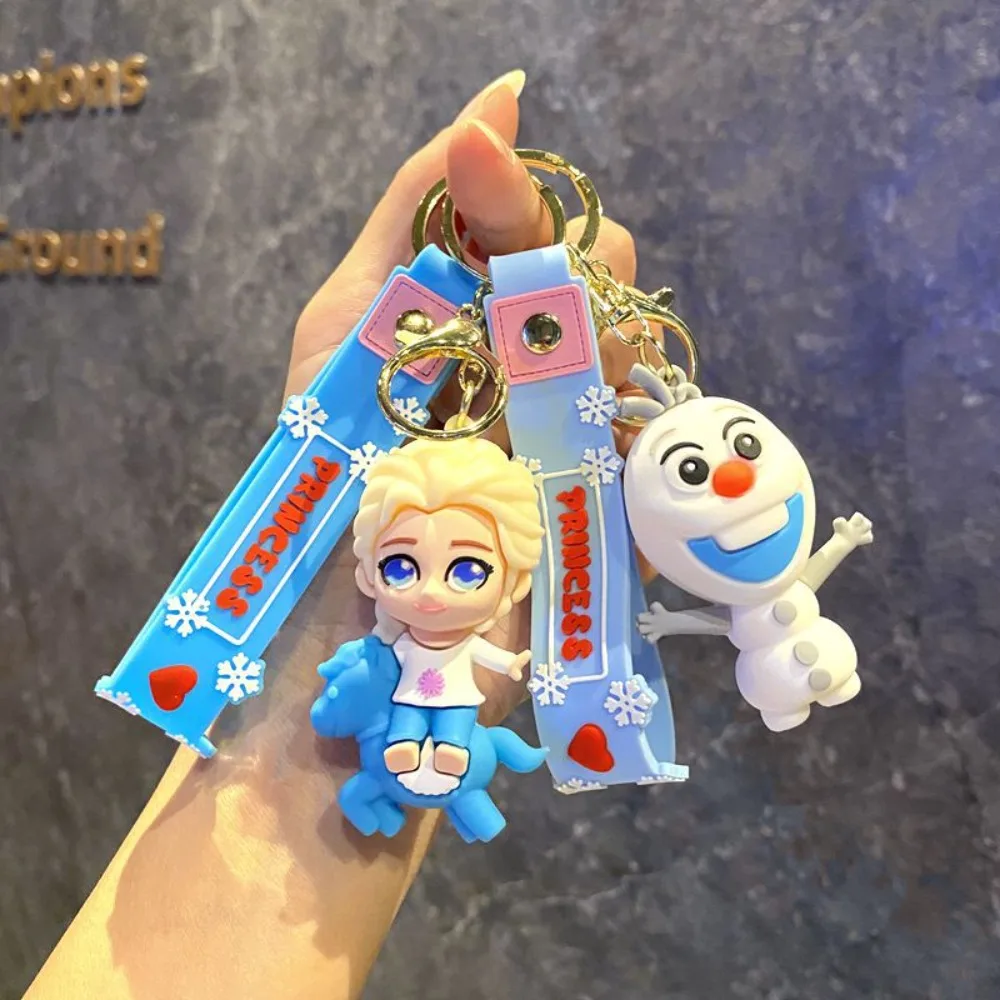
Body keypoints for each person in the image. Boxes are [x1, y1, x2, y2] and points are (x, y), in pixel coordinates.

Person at [25, 68, 645, 1000]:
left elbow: (495, 654)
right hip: (378, 734)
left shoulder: (487, 604)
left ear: (511, 574)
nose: (428, 587)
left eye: (466, 568)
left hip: (434, 730)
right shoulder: (371, 547)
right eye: (399, 562)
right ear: (367, 563)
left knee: (461, 768)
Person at [352, 437, 544, 778]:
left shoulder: (463, 644)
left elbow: (486, 654)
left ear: (514, 582)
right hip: (410, 694)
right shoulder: (402, 642)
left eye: (467, 572)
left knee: (456, 717)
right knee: (407, 715)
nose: (429, 591)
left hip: (457, 695)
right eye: (399, 570)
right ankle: (403, 743)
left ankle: (453, 746)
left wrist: (510, 663)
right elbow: (383, 661)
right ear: (368, 575)